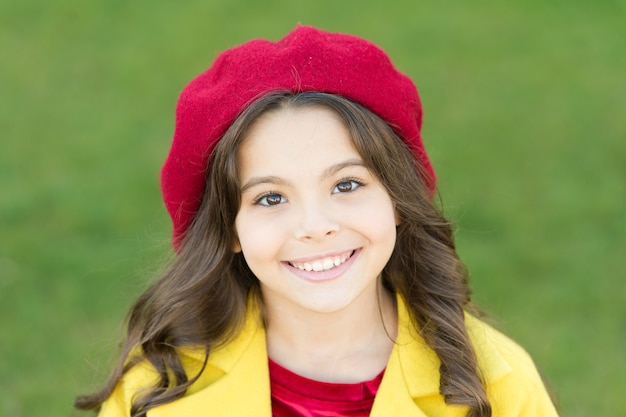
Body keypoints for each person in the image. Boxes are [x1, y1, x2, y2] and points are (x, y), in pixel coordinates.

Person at [75, 25, 559, 417]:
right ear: (227, 229)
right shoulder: (157, 391)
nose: (315, 224)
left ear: (397, 199)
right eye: (269, 198)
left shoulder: (497, 383)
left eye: (346, 185)